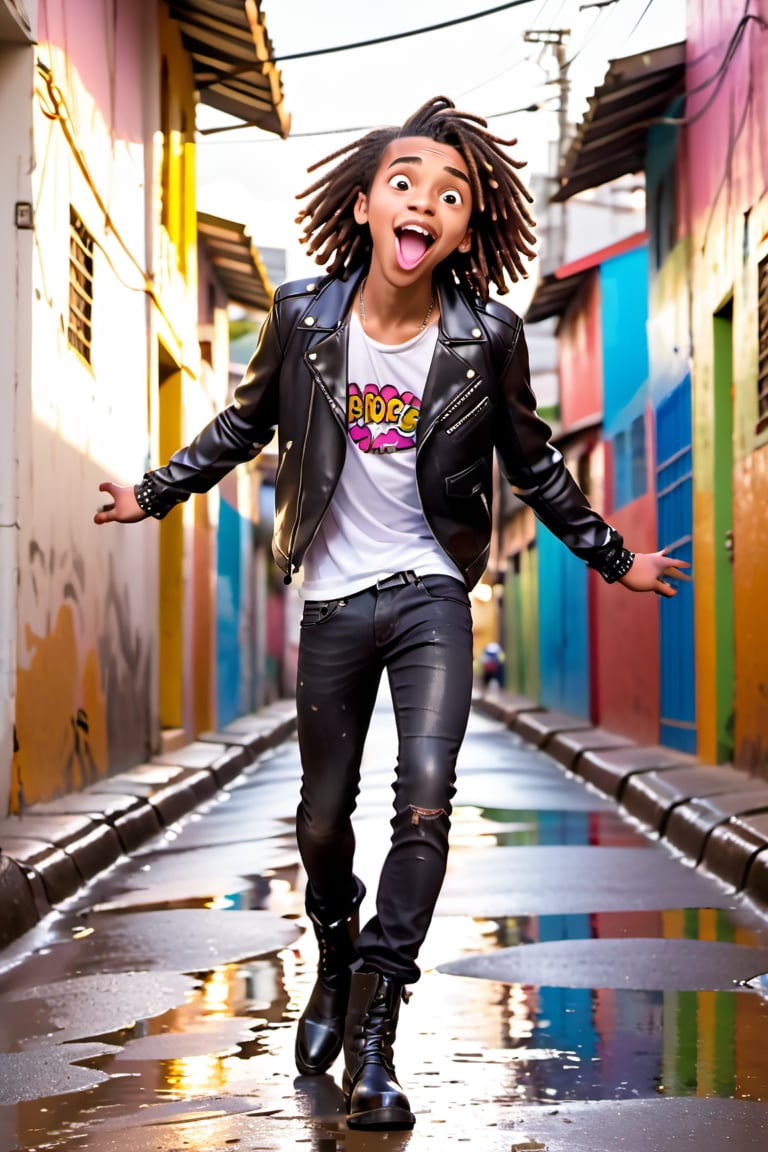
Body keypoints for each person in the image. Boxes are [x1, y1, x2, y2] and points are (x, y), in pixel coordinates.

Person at [94, 96, 689, 1131]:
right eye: (405, 184)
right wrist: (153, 492)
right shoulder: (303, 319)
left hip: (429, 595)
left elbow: (537, 464)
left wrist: (613, 556)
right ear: (366, 206)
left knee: (423, 801)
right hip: (330, 600)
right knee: (323, 822)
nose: (426, 203)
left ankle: (376, 1025)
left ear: (469, 226)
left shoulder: (485, 338)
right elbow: (243, 425)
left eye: (451, 195)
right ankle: (333, 955)